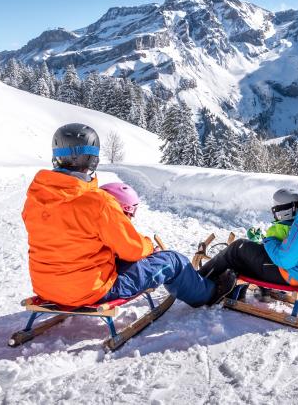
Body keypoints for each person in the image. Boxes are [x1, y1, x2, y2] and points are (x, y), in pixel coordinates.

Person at [21, 123, 236, 309]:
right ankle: (209, 295)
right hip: (89, 291)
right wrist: (150, 247)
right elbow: (132, 249)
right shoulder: (98, 202)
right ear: (92, 160)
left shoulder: (35, 198)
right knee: (173, 260)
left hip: (46, 288)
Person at [198, 159, 298, 289]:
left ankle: (198, 281)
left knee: (238, 248)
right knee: (250, 253)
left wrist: (269, 241)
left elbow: (285, 260)